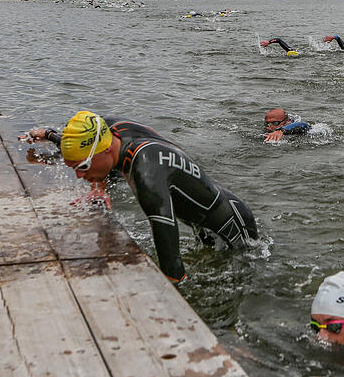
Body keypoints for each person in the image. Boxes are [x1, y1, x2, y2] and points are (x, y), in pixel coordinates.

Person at [21, 111, 258, 282]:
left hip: (231, 223)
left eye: (82, 167)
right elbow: (84, 148)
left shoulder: (146, 173)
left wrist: (173, 294)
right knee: (208, 257)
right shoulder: (109, 130)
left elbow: (171, 260)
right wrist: (49, 134)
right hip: (203, 216)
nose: (79, 176)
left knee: (242, 276)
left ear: (104, 150)